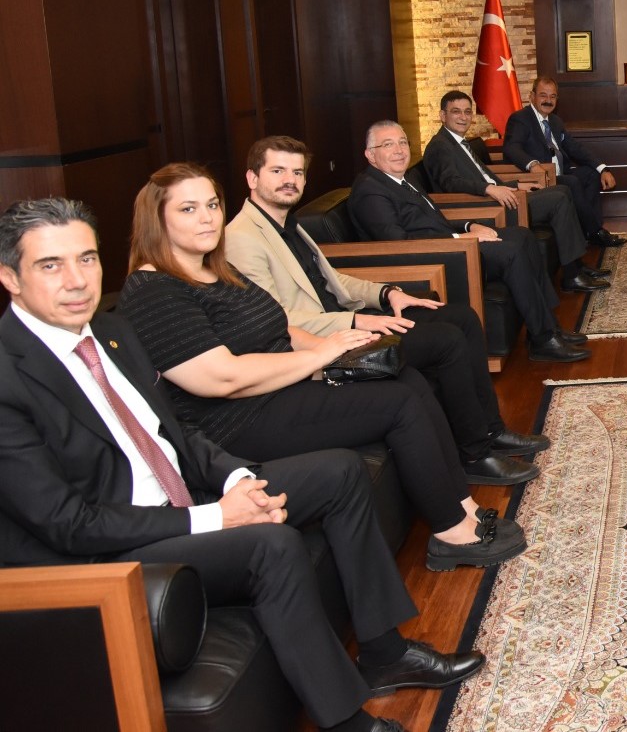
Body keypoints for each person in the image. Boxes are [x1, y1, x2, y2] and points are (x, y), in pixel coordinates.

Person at [0, 197, 483, 732]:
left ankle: (384, 654)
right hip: (115, 551)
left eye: (86, 259)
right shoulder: (8, 377)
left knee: (341, 473)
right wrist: (216, 516)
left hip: (184, 498)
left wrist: (237, 477)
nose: (76, 281)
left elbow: (174, 432)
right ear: (10, 277)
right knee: (271, 545)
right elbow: (68, 523)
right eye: (51, 265)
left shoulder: (111, 333)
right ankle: (346, 721)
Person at [116, 163, 529, 576]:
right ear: (157, 219)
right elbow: (221, 377)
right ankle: (450, 534)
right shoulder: (153, 289)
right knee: (399, 402)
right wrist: (322, 355)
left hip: (281, 386)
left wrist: (343, 348)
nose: (207, 217)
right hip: (240, 420)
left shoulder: (216, 268)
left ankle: (462, 505)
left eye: (211, 205)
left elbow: (280, 327)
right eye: (188, 209)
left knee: (406, 375)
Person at [226, 135, 546, 484]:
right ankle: (474, 455)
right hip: (329, 342)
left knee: (462, 317)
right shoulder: (242, 238)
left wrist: (387, 292)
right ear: (252, 178)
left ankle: (491, 430)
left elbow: (333, 281)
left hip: (350, 321)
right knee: (446, 340)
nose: (290, 180)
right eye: (278, 171)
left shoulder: (289, 224)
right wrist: (355, 320)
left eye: (297, 172)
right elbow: (276, 320)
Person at [347, 121, 590, 363]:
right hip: (434, 261)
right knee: (511, 251)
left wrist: (468, 226)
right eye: (388, 145)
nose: (399, 150)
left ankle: (548, 325)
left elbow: (433, 220)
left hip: (449, 246)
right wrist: (459, 239)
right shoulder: (370, 191)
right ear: (370, 155)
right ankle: (543, 339)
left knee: (522, 236)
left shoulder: (401, 179)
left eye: (402, 142)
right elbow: (399, 244)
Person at [421, 91, 609, 293]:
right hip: (487, 208)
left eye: (467, 112)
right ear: (442, 115)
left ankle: (577, 265)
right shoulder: (440, 146)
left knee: (563, 189)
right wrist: (490, 189)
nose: (463, 117)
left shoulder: (460, 142)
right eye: (456, 112)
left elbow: (485, 177)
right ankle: (572, 276)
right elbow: (451, 183)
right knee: (559, 198)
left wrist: (516, 185)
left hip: (500, 196)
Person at [502, 77, 627, 248]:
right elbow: (511, 148)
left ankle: (588, 231)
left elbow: (574, 148)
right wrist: (533, 164)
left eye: (552, 96)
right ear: (532, 96)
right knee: (572, 182)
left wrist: (603, 168)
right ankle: (596, 232)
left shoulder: (555, 121)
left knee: (591, 174)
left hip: (560, 174)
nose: (548, 100)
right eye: (543, 95)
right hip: (539, 179)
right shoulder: (520, 118)